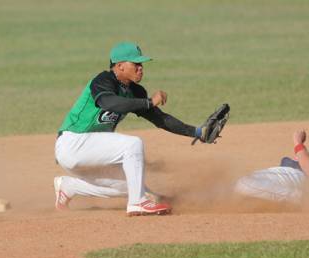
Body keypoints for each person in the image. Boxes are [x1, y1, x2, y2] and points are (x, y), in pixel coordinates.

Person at [54, 42, 205, 216]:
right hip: (73, 142)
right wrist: (148, 102)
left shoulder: (135, 91)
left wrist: (198, 132)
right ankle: (137, 203)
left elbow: (161, 120)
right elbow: (108, 102)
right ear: (120, 66)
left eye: (141, 64)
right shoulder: (103, 80)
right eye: (136, 64)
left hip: (92, 151)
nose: (141, 68)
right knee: (132, 144)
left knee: (133, 185)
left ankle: (68, 187)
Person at [234, 109, 309, 205]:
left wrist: (298, 144)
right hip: (289, 177)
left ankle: (304, 199)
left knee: (244, 184)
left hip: (297, 177)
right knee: (237, 188)